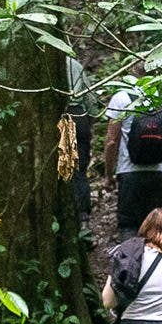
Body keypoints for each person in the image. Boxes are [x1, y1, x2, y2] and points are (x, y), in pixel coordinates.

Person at [104, 66, 162, 236]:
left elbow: (111, 141)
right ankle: (153, 262)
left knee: (129, 226)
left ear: (132, 70)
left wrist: (108, 175)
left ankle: (131, 262)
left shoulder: (121, 99)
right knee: (155, 229)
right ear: (156, 71)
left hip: (129, 174)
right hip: (157, 174)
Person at [66, 57, 100, 217]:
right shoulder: (75, 65)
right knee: (79, 169)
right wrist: (89, 120)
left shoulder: (45, 63)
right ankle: (83, 213)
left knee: (64, 169)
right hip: (79, 115)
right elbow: (90, 98)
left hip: (64, 115)